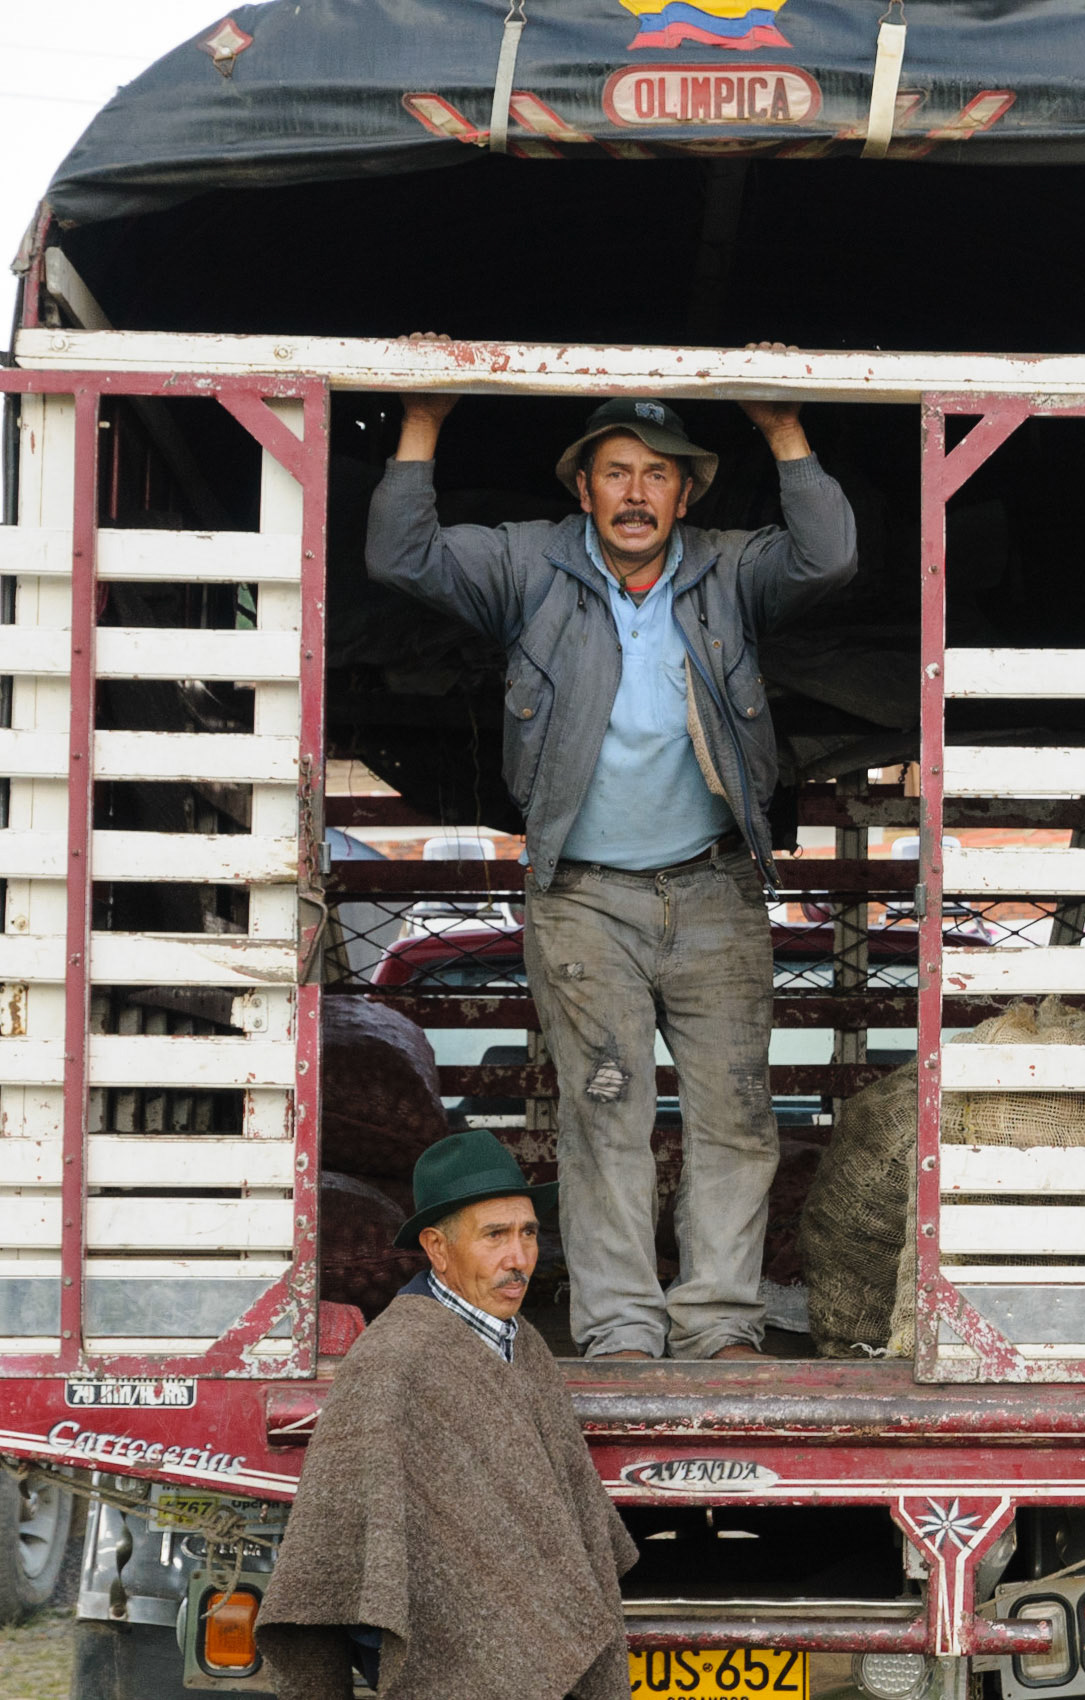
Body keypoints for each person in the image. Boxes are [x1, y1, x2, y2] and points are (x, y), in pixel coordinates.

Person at [365, 366, 857, 1360]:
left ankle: (718, 1325)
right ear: (580, 489)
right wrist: (420, 419)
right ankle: (622, 1331)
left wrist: (785, 427)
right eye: (614, 473)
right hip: (583, 893)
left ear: (688, 494)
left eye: (658, 477)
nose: (636, 494)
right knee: (605, 1113)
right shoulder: (528, 565)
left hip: (713, 883)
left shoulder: (726, 569)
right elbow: (400, 552)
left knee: (736, 1113)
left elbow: (829, 556)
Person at [255, 1128, 636, 1700]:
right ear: (437, 1247)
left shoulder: (521, 1340)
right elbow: (344, 1541)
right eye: (495, 1236)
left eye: (528, 1233)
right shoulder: (395, 1357)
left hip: (524, 1628)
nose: (519, 1258)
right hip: (444, 1644)